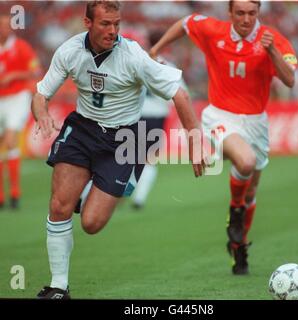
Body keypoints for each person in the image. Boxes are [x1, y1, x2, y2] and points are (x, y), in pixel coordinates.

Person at [31, 1, 204, 299]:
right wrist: (43, 114)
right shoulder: (69, 51)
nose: (113, 30)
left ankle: (96, 190)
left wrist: (196, 142)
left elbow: (181, 94)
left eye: (117, 23)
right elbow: (41, 93)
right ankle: (58, 286)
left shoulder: (133, 56)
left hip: (124, 141)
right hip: (82, 130)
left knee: (91, 223)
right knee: (59, 206)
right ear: (87, 23)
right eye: (105, 24)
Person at [150, 0, 297, 275]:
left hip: (256, 122)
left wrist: (272, 51)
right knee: (245, 162)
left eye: (252, 13)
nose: (246, 19)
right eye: (240, 13)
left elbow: (289, 79)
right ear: (230, 13)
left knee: (251, 191)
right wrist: (156, 49)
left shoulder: (273, 39)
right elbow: (185, 22)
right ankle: (235, 212)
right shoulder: (213, 30)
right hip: (220, 116)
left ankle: (239, 246)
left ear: (258, 13)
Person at [130, 30, 188, 210]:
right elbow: (182, 93)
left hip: (135, 115)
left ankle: (119, 191)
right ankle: (139, 198)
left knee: (128, 157)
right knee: (149, 159)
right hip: (156, 117)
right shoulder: (167, 65)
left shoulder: (137, 62)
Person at [0, 13, 40, 209]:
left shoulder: (21, 47)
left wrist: (15, 74)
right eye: (2, 26)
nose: (5, 29)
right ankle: (2, 195)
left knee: (10, 139)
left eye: (8, 25)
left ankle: (15, 192)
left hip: (17, 98)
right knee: (3, 146)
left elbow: (35, 69)